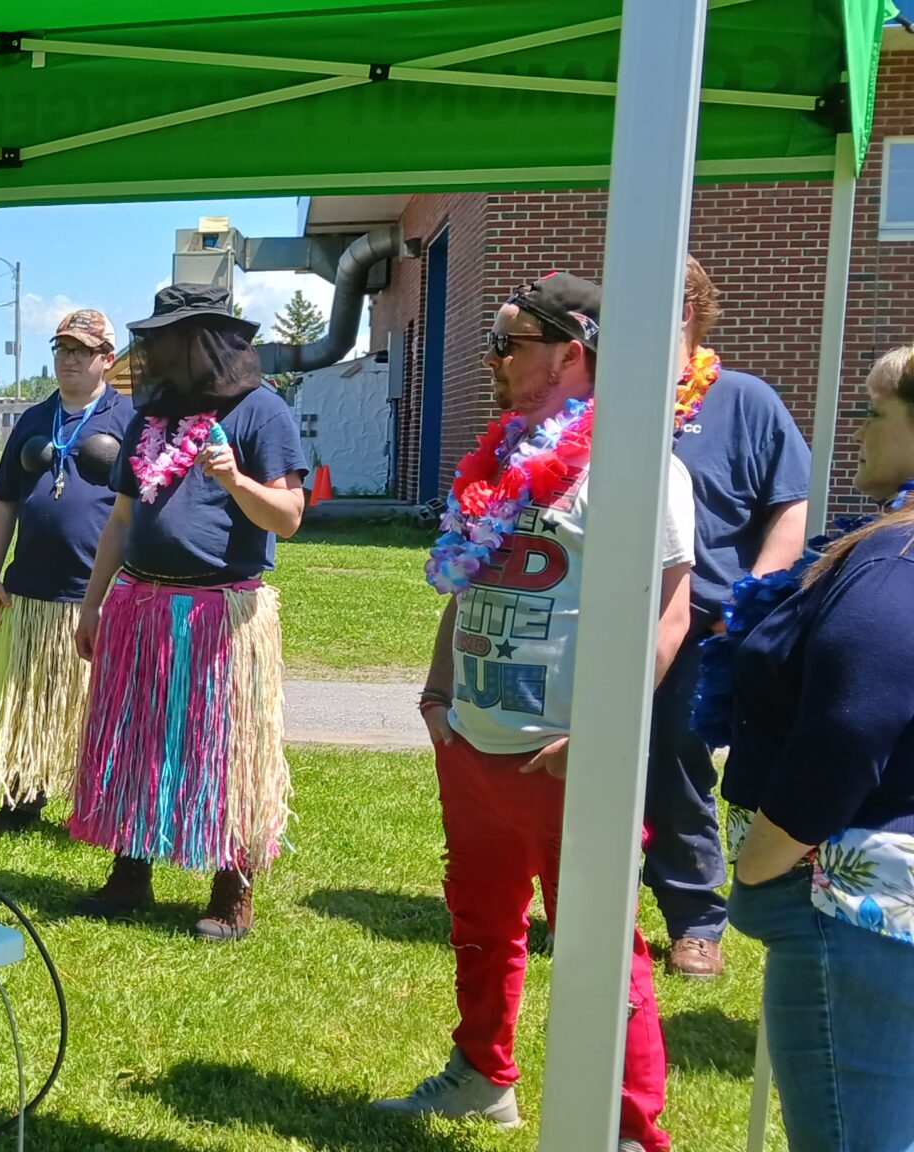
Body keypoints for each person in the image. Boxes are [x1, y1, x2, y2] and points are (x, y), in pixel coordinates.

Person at [379, 273, 690, 1152]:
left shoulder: (636, 461)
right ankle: (482, 1078)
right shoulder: (503, 454)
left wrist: (602, 729)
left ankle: (630, 1131)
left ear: (570, 351)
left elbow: (672, 609)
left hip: (568, 755)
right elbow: (465, 578)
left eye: (508, 344)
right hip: (474, 742)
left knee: (599, 949)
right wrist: (438, 690)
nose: (491, 360)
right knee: (479, 923)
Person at [68, 283, 306, 941]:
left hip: (222, 613)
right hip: (139, 605)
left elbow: (287, 516)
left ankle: (233, 888)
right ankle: (130, 870)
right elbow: (119, 520)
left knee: (224, 748)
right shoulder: (149, 419)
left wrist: (234, 480)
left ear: (207, 340)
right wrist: (92, 605)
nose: (158, 351)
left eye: (171, 338)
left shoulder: (261, 412)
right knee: (135, 739)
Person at [720, 345, 914, 1152]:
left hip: (852, 918)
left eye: (877, 413)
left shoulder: (895, 562)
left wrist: (763, 863)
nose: (858, 431)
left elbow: (851, 726)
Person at [641, 257, 812, 980]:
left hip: (705, 625)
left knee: (676, 764)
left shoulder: (746, 401)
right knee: (586, 757)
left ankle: (695, 921)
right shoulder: (604, 402)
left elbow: (791, 508)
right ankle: (594, 904)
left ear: (685, 308)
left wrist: (748, 604)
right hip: (607, 616)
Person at [0, 308, 133, 832]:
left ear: (107, 359)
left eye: (82, 351)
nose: (69, 359)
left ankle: (92, 804)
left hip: (95, 591)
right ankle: (22, 794)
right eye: (63, 349)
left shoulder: (127, 420)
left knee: (93, 708)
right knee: (27, 698)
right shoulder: (33, 419)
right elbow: (4, 501)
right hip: (31, 591)